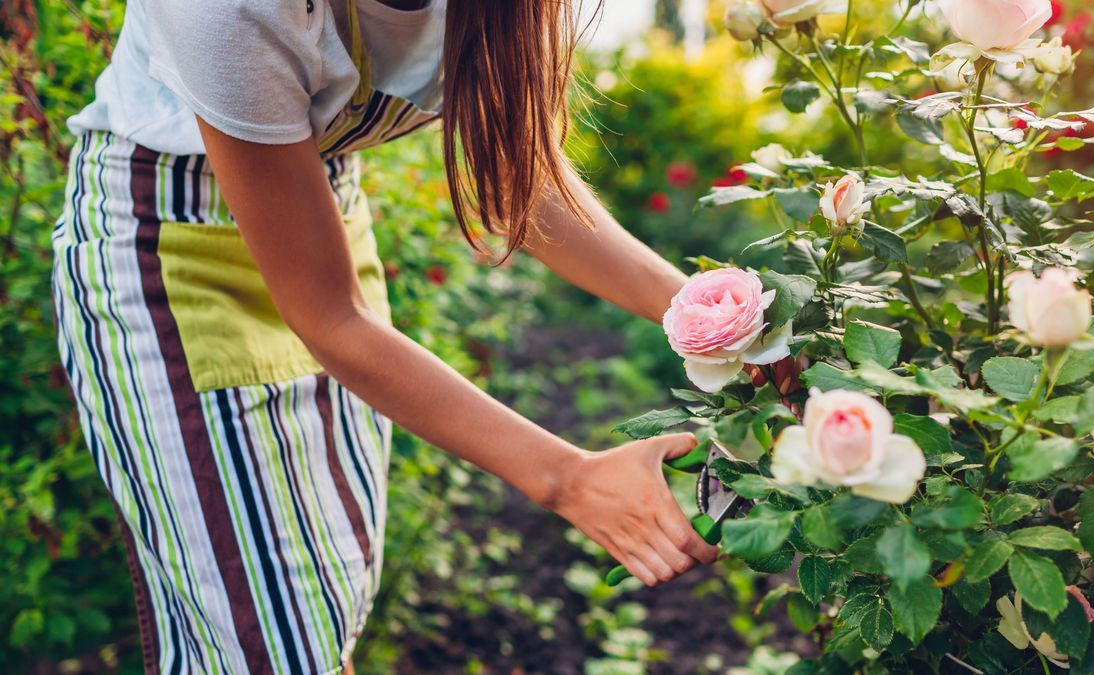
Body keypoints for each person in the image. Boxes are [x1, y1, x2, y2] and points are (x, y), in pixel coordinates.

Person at [54, 0, 719, 672]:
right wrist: (569, 478)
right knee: (270, 638)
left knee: (327, 596)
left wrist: (716, 320)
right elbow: (330, 318)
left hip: (323, 222)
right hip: (167, 254)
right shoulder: (228, 9)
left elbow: (522, 186)